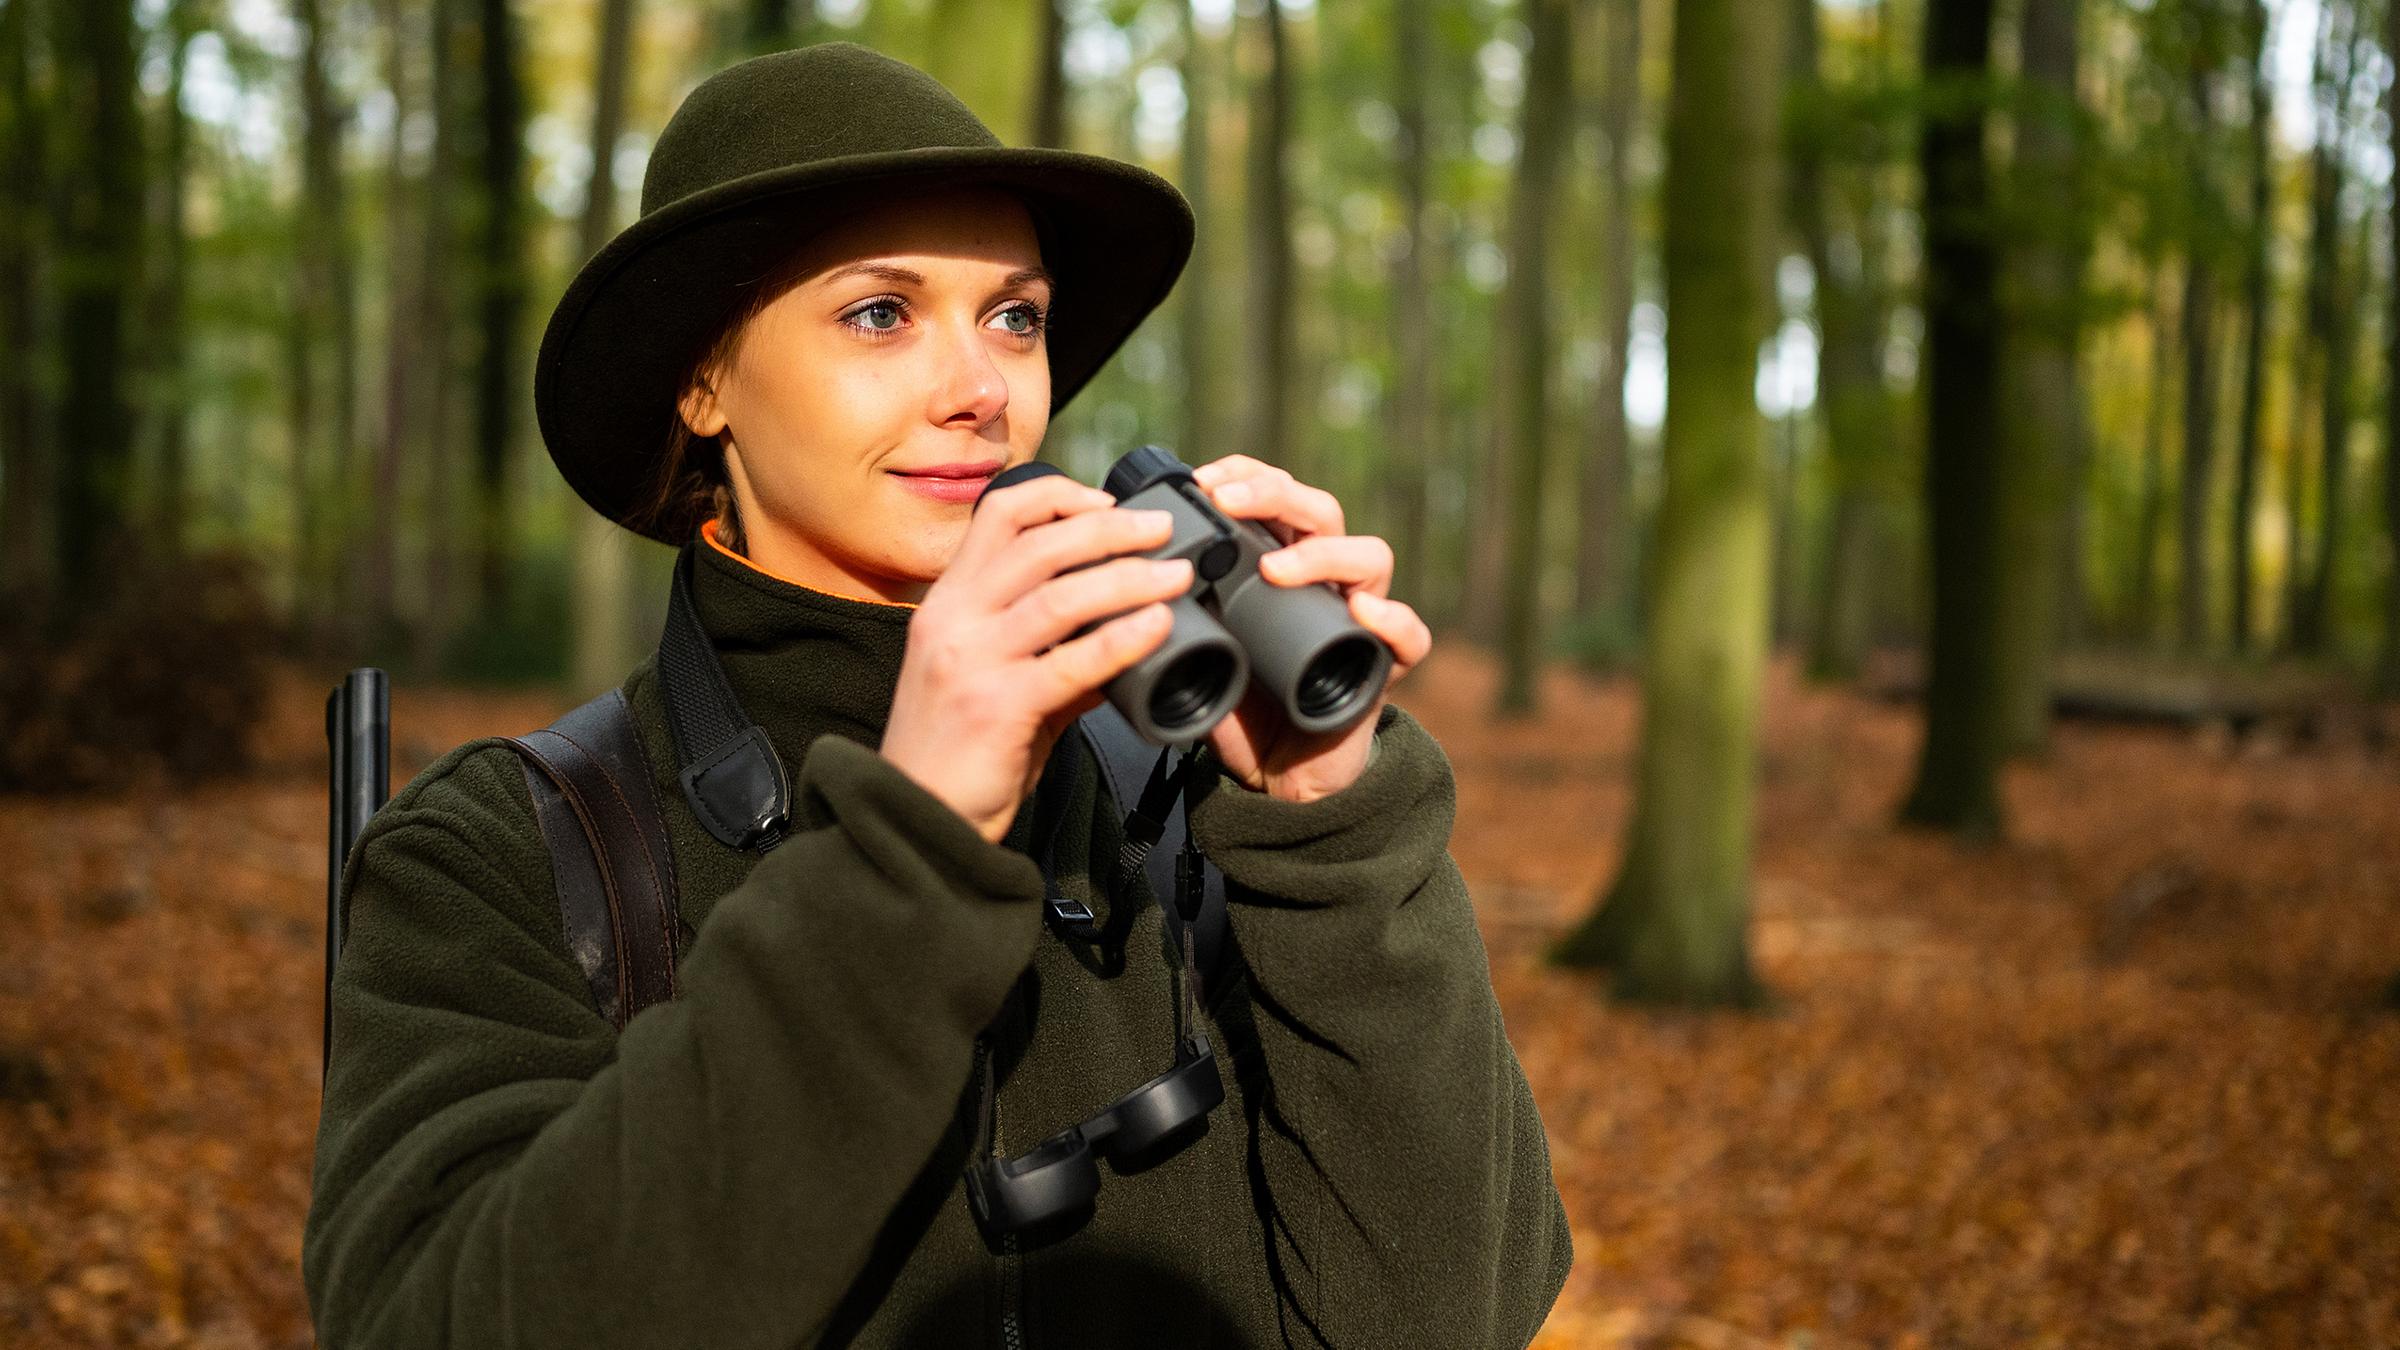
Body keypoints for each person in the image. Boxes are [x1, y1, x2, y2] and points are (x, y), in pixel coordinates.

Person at [303, 41, 1572, 1349]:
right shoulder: (511, 853)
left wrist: (1331, 827)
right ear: (704, 382)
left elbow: (1443, 1315)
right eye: (879, 313)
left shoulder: (1178, 781)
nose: (985, 392)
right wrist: (909, 845)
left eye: (1016, 316)